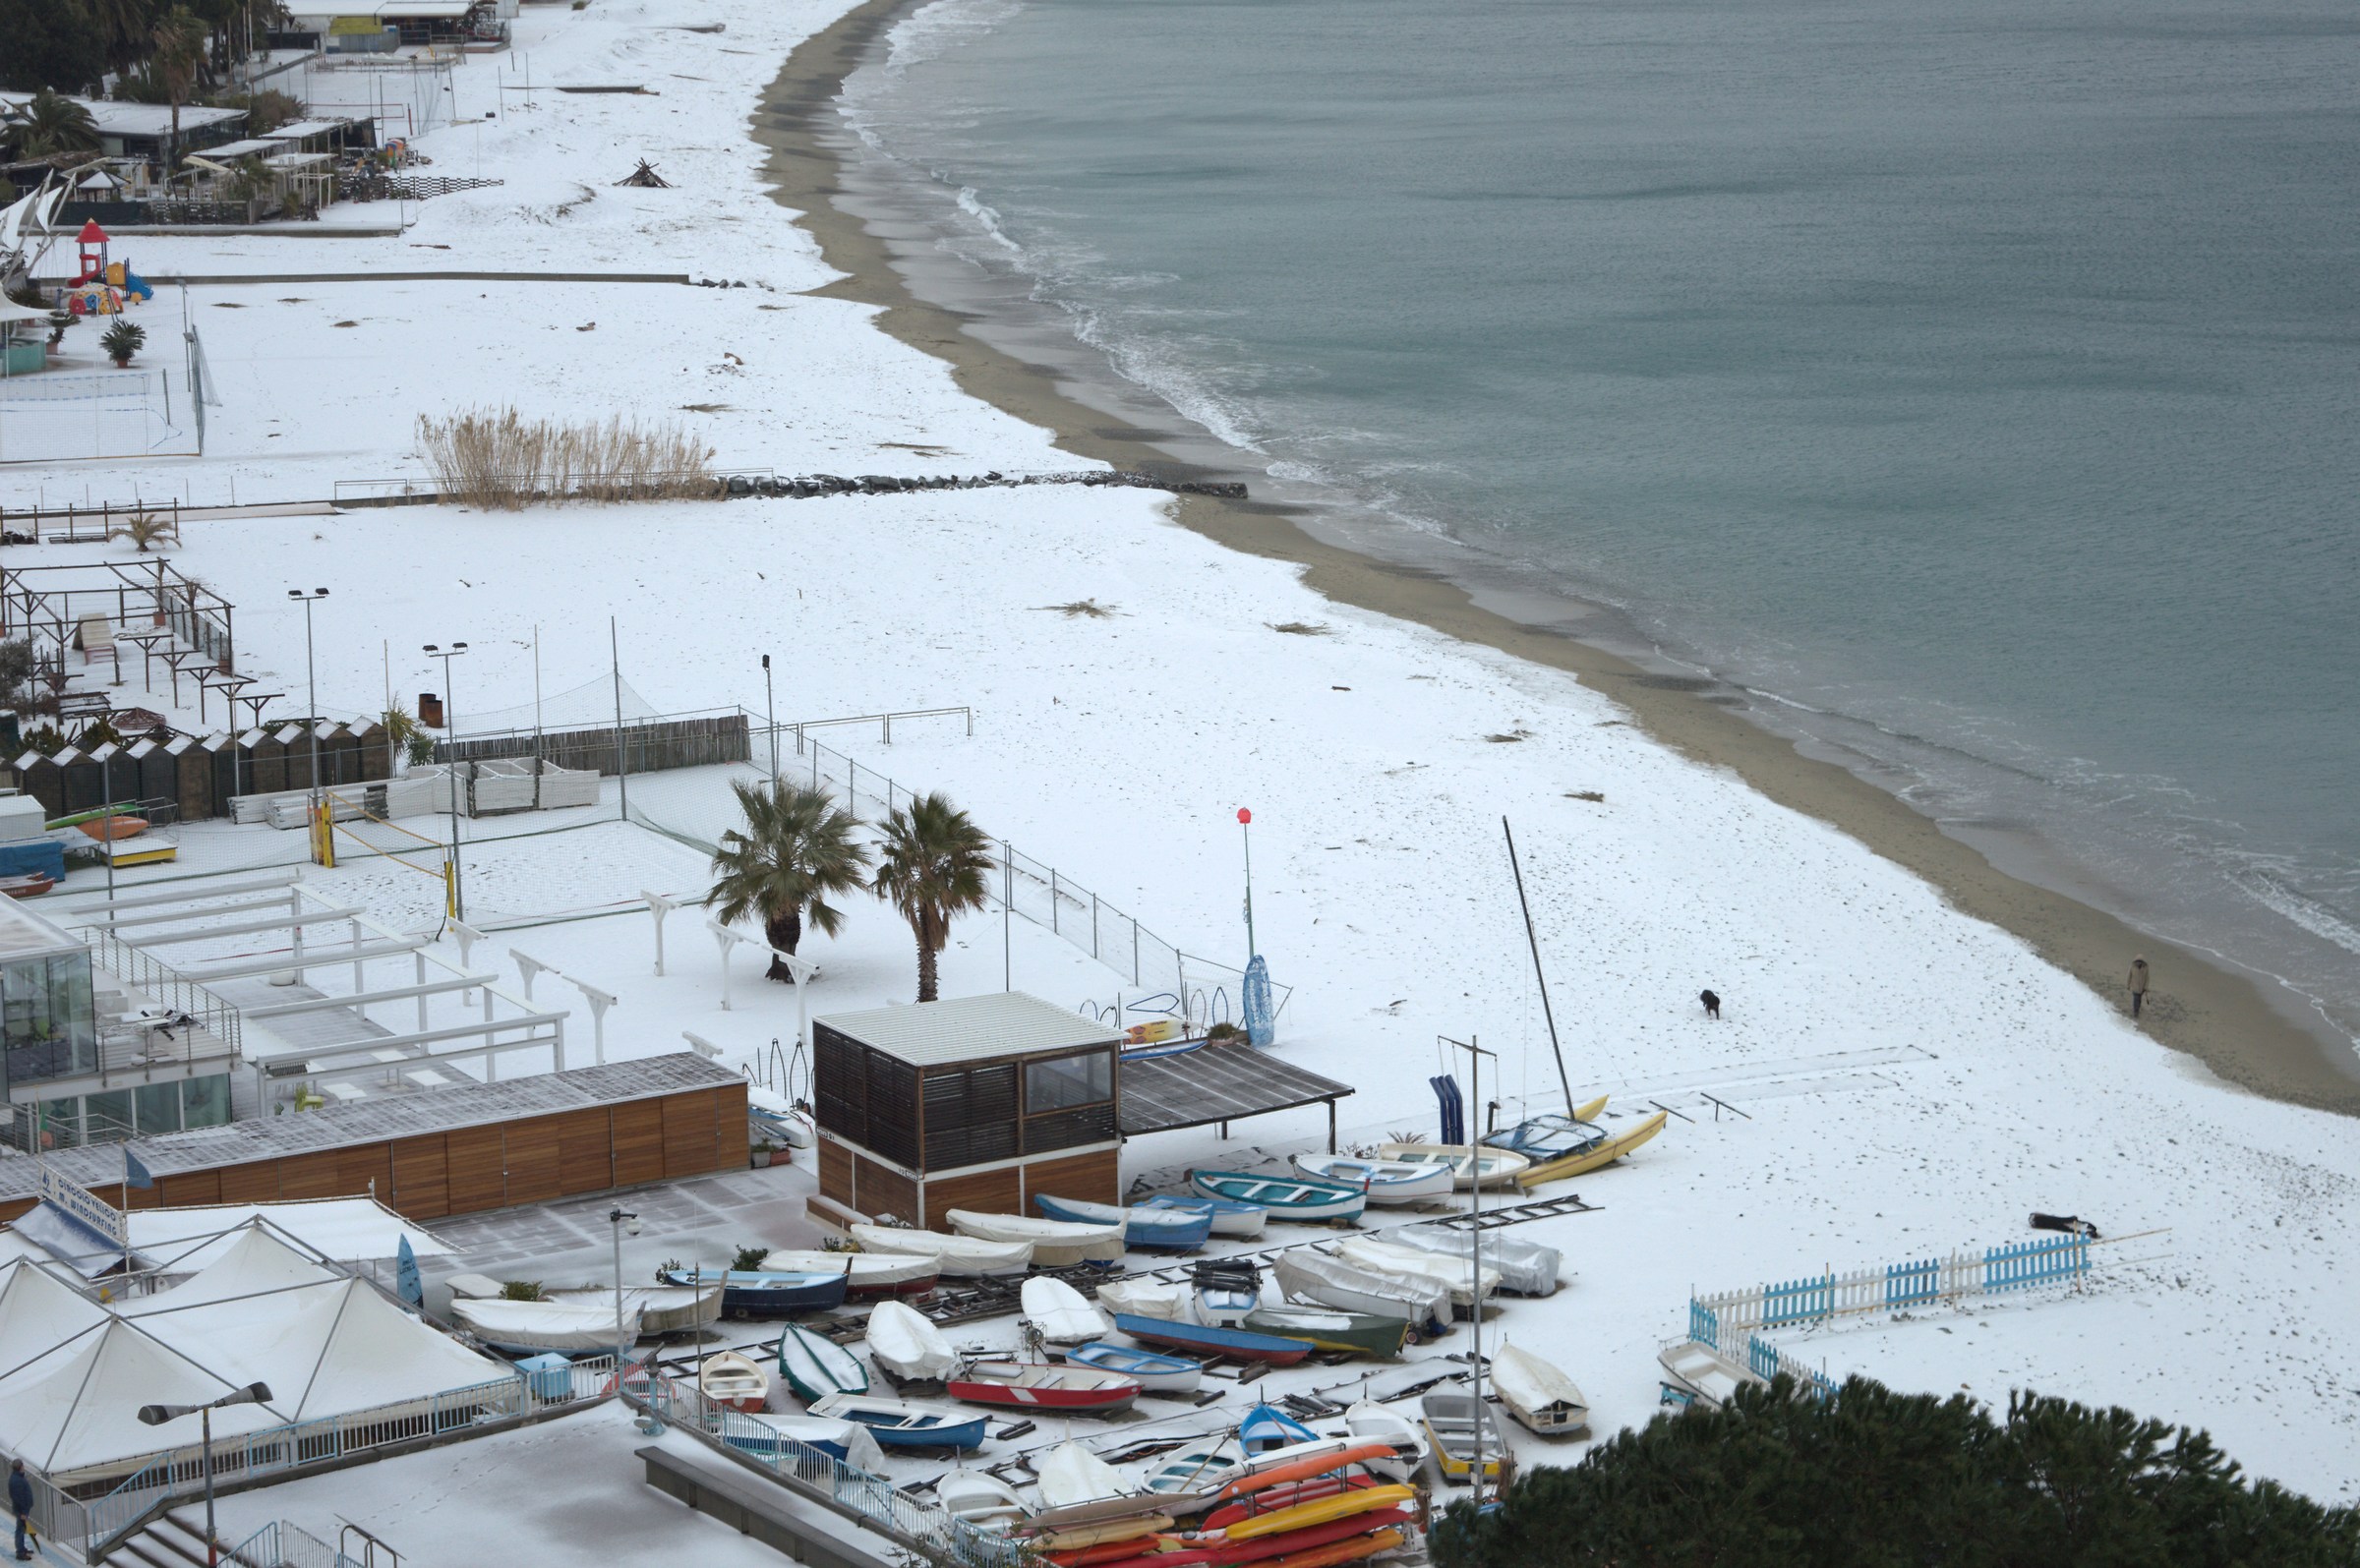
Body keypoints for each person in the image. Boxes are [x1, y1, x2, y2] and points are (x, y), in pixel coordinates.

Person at [10, 1456, 33, 1561]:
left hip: (21, 1509)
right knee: (20, 1530)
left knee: (21, 1529)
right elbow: (19, 1498)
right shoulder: (17, 1480)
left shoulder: (17, 1478)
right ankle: (20, 1552)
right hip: (21, 1510)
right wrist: (23, 1512)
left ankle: (22, 1548)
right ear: (20, 1467)